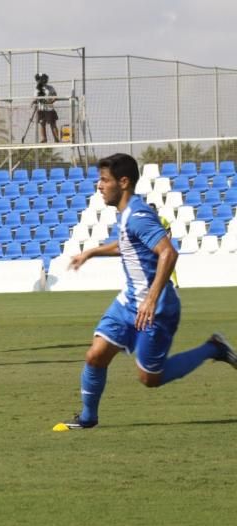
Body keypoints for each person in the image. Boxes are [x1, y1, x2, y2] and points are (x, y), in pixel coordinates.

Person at [53, 153, 237, 431]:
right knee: (96, 355)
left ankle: (213, 348)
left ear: (123, 182)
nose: (99, 186)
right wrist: (92, 252)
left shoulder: (138, 215)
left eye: (104, 180)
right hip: (129, 302)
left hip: (157, 308)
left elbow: (168, 252)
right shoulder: (128, 215)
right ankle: (88, 418)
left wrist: (150, 299)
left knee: (150, 378)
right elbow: (127, 244)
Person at [34, 73, 60, 143]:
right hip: (41, 108)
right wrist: (34, 102)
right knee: (42, 123)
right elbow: (36, 98)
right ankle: (44, 138)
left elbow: (55, 97)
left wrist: (51, 102)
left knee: (52, 123)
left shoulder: (50, 88)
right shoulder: (37, 89)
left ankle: (56, 138)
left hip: (49, 108)